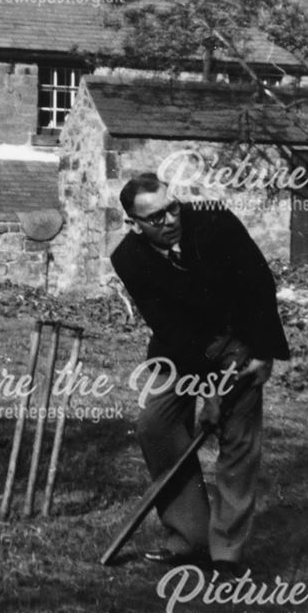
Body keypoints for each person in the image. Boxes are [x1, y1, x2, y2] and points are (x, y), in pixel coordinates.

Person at [110, 172, 289, 577]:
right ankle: (189, 539)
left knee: (237, 439)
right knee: (155, 424)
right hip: (180, 348)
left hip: (240, 339)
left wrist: (263, 354)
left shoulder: (216, 223)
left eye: (172, 208)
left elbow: (257, 284)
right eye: (155, 218)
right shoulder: (128, 257)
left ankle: (226, 552)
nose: (170, 219)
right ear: (134, 224)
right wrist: (207, 389)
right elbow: (170, 326)